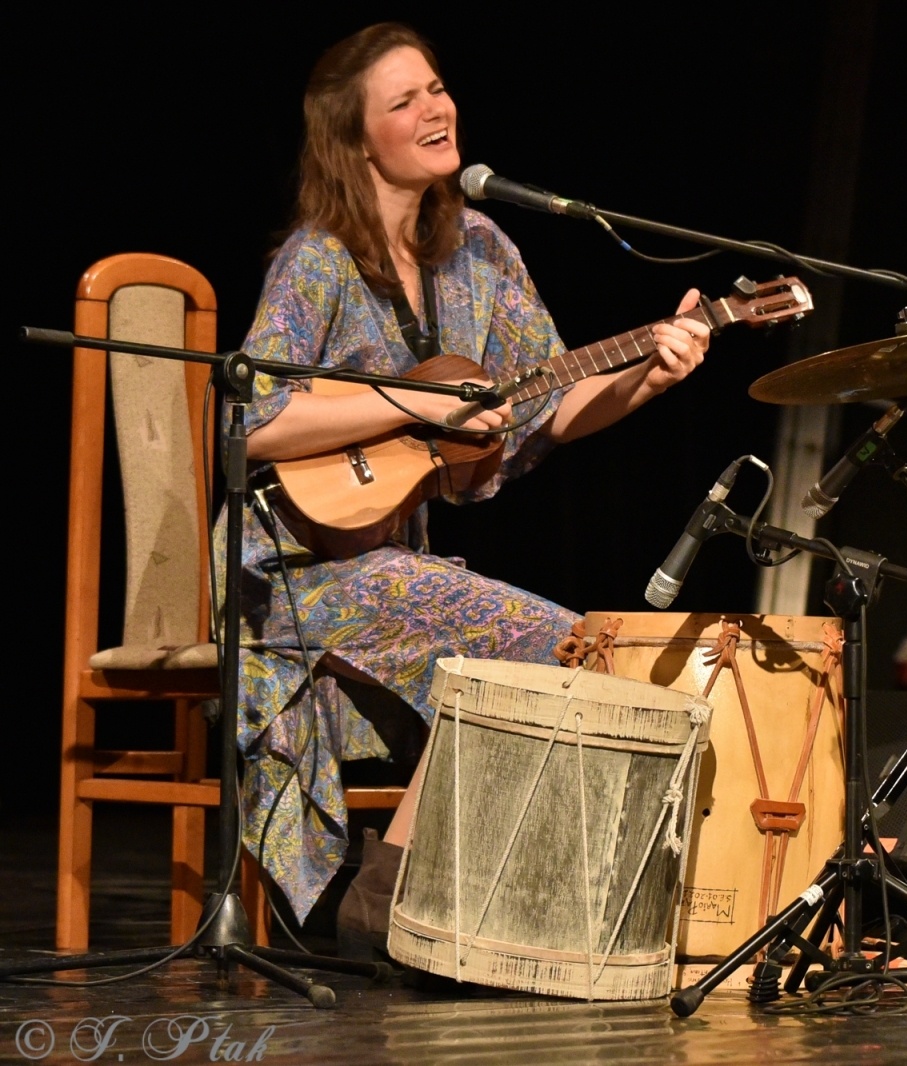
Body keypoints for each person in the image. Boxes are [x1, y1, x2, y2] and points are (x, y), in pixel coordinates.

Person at [222, 23, 711, 950]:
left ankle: (397, 897)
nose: (435, 108)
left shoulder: (480, 250)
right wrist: (411, 405)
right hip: (288, 572)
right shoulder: (319, 259)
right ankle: (385, 906)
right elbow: (254, 422)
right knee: (560, 648)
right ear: (356, 139)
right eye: (403, 101)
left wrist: (649, 373)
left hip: (395, 566)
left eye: (437, 88)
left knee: (563, 650)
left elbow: (551, 406)